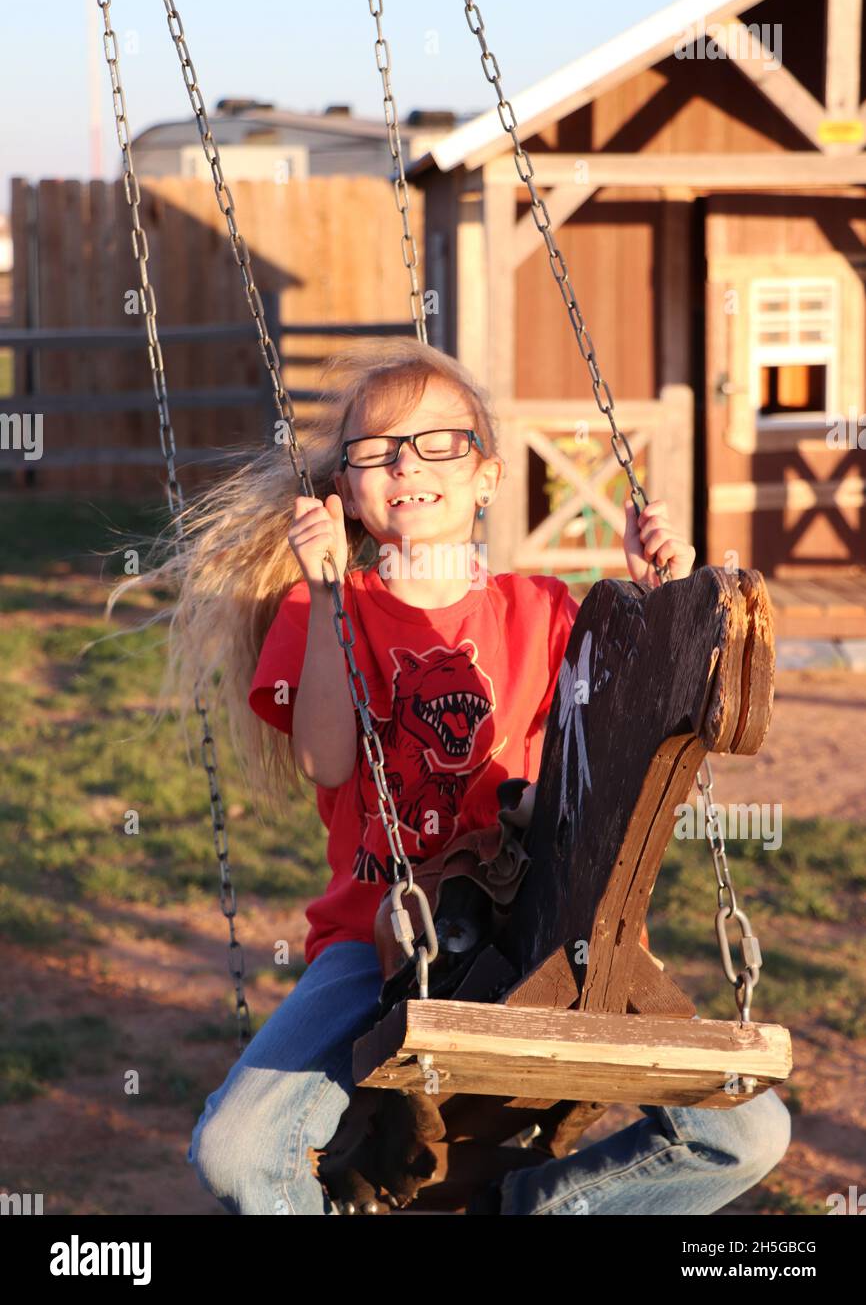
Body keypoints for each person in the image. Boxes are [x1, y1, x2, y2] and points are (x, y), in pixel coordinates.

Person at [166, 338, 789, 1214]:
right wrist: (331, 595)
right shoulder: (327, 606)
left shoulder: (544, 611)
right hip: (379, 942)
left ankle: (528, 1210)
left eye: (437, 443)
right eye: (376, 452)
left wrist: (666, 609)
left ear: (488, 476)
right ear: (344, 489)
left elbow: (627, 752)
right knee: (237, 1152)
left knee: (747, 1136)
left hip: (544, 931)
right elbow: (326, 760)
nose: (405, 465)